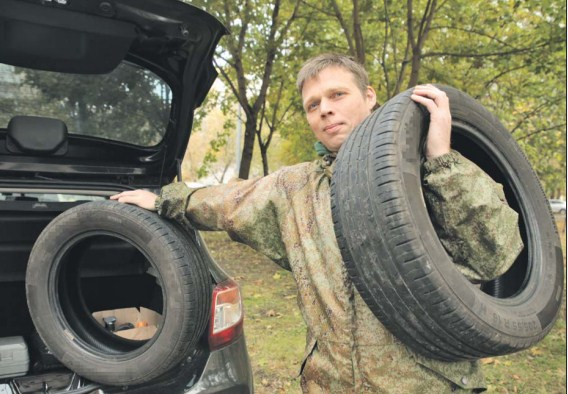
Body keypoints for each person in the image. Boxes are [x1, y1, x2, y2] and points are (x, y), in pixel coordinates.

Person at [111, 54, 523, 393]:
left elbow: (492, 256)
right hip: (329, 384)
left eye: (337, 94)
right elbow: (227, 201)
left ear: (369, 97)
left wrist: (440, 158)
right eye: (313, 104)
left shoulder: (433, 171)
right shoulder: (296, 188)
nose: (325, 108)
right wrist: (165, 199)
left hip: (426, 384)